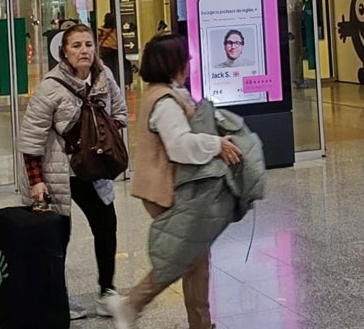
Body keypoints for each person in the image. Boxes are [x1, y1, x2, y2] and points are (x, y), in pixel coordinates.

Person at [110, 34, 242, 329]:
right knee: (185, 256)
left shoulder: (162, 93)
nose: (190, 63)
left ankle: (198, 322)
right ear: (172, 63)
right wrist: (215, 144)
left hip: (164, 189)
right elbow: (180, 145)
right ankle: (132, 303)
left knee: (193, 257)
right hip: (165, 191)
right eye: (186, 58)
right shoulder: (165, 101)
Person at [17, 24, 128, 321]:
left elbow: (120, 113)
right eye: (76, 45)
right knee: (57, 237)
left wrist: (102, 138)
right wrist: (36, 180)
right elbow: (31, 138)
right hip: (60, 172)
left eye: (89, 45)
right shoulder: (51, 87)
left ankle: (107, 291)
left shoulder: (105, 78)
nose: (84, 51)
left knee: (106, 226)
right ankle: (58, 297)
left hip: (94, 169)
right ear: (64, 51)